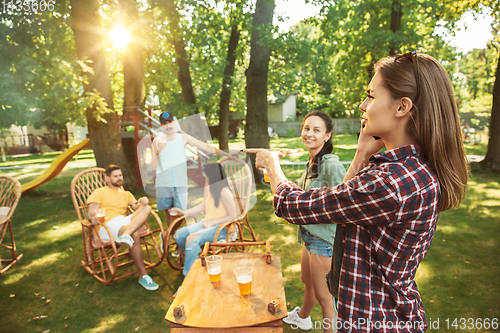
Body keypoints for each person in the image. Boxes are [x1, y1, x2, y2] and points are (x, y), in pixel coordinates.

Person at [248, 52, 469, 332]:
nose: (363, 105)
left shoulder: (391, 183)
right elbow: (345, 200)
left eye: (371, 96)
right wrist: (362, 154)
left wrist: (271, 164)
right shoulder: (408, 170)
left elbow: (294, 205)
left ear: (402, 107)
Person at [282, 111, 346, 333]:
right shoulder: (312, 162)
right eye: (306, 128)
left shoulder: (331, 164)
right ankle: (302, 318)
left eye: (316, 130)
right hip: (308, 237)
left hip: (322, 240)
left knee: (326, 298)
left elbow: (344, 202)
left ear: (327, 136)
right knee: (306, 281)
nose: (309, 133)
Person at [150, 111, 232, 227]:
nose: (168, 126)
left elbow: (205, 146)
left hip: (180, 183)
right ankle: (170, 240)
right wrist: (158, 152)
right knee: (169, 215)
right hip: (163, 183)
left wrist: (226, 154)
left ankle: (176, 239)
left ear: (174, 123)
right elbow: (153, 166)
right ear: (161, 125)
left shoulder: (183, 138)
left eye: (170, 123)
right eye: (164, 124)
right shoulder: (157, 141)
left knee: (180, 214)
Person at [87, 165, 159, 291]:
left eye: (120, 175)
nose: (119, 178)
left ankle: (125, 234)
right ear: (108, 179)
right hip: (107, 225)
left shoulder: (126, 194)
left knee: (147, 208)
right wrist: (92, 218)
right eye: (116, 176)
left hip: (123, 222)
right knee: (134, 234)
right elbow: (90, 212)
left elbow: (137, 207)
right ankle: (143, 275)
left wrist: (143, 201)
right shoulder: (100, 192)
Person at [170, 162, 237, 278]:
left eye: (206, 174)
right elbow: (203, 206)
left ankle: (188, 276)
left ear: (212, 175)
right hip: (206, 223)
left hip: (222, 229)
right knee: (178, 235)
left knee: (191, 238)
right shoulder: (209, 188)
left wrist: (212, 222)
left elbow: (232, 216)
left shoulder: (225, 192)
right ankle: (193, 260)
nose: (204, 176)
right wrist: (183, 212)